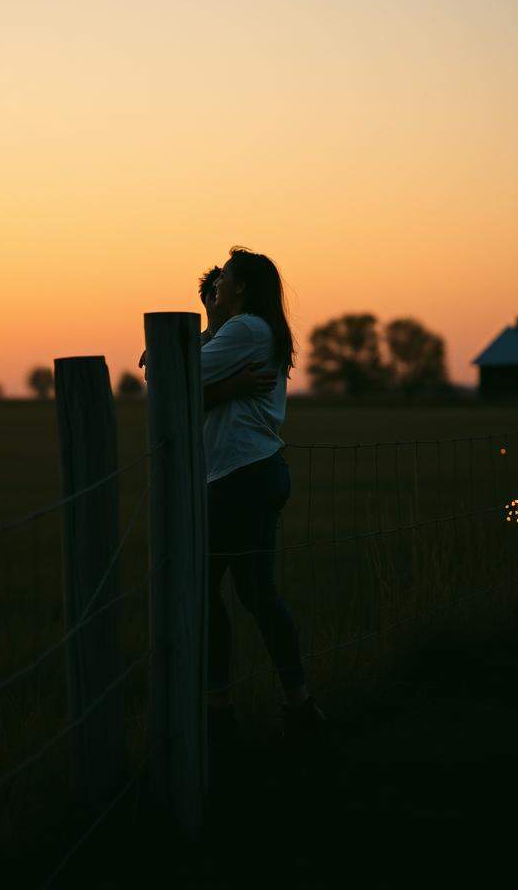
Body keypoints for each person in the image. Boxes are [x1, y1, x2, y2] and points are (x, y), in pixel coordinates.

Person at [199, 248, 328, 771]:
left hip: (241, 478)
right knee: (250, 592)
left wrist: (211, 380)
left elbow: (167, 376)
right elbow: (176, 382)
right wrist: (222, 383)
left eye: (225, 277)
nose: (217, 281)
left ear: (243, 289)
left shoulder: (247, 329)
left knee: (209, 589)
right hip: (249, 474)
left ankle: (222, 715)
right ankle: (295, 708)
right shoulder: (241, 329)